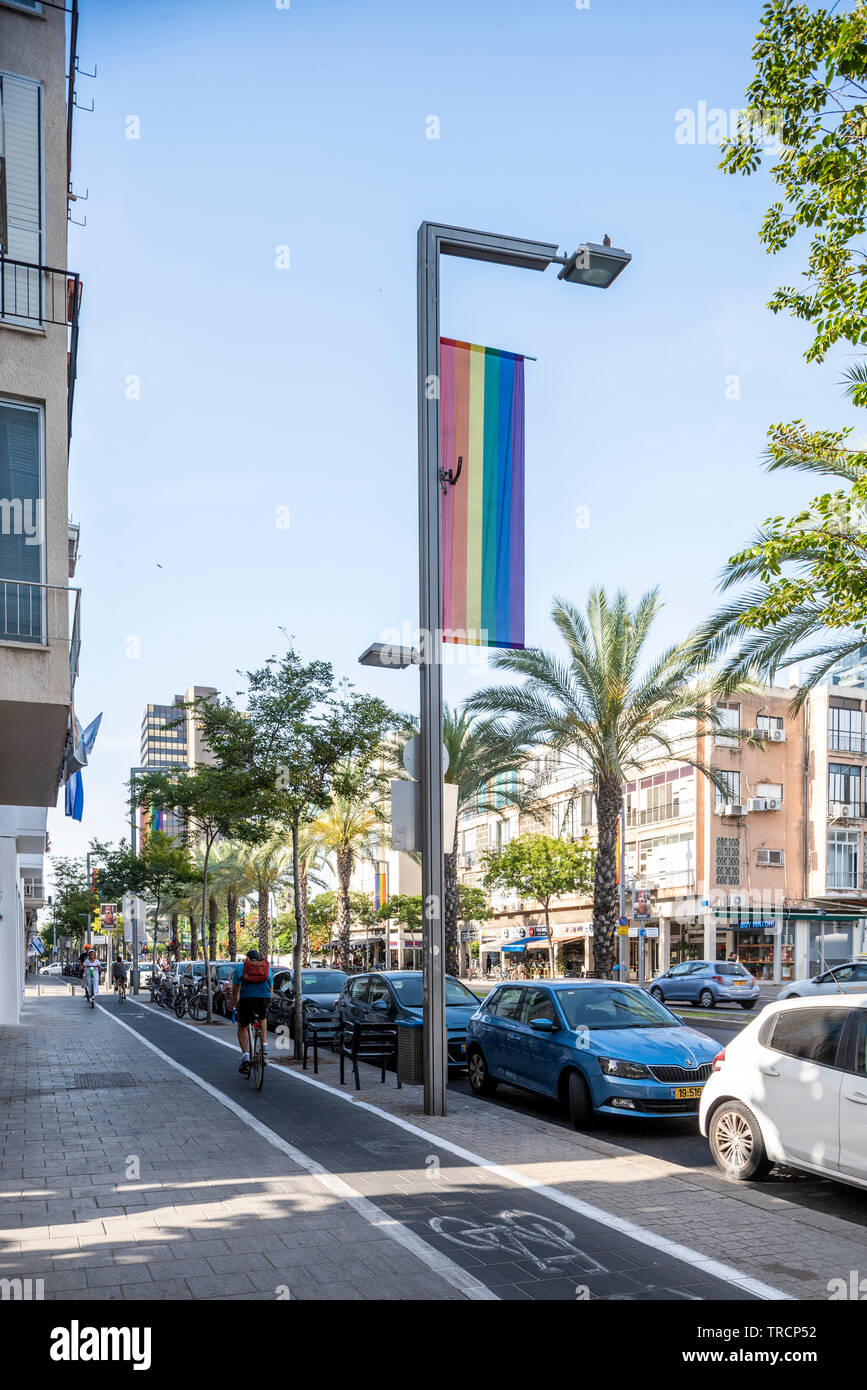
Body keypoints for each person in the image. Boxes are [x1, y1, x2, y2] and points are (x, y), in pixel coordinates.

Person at [232, 949, 273, 1075]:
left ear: (247, 958)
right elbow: (271, 988)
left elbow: (235, 991)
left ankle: (245, 1056)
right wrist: (267, 1003)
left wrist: (236, 1006)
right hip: (263, 999)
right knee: (262, 1017)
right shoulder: (266, 967)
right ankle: (265, 1044)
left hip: (247, 1000)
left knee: (242, 1026)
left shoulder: (241, 968)